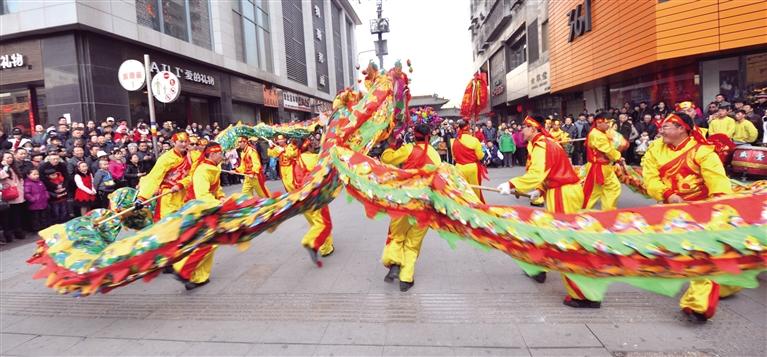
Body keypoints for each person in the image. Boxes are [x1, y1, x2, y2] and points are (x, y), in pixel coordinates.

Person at [641, 112, 740, 322]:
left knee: (700, 254)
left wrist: (719, 209)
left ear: (682, 128)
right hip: (671, 209)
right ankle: (728, 283)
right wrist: (667, 194)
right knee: (673, 252)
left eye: (667, 126)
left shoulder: (702, 151)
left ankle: (698, 306)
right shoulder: (654, 149)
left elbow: (718, 182)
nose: (661, 129)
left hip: (700, 210)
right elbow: (649, 178)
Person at [496, 116, 594, 308]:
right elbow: (548, 172)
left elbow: (537, 173)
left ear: (533, 129)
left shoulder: (541, 144)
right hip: (559, 191)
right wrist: (539, 190)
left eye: (525, 127)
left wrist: (512, 184)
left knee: (565, 241)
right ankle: (538, 267)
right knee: (547, 232)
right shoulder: (543, 143)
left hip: (563, 193)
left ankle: (583, 294)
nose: (522, 131)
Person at [380, 124, 440, 292]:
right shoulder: (435, 155)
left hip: (404, 200)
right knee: (413, 243)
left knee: (397, 234)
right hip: (424, 204)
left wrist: (390, 145)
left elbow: (387, 159)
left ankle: (394, 264)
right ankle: (406, 279)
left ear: (414, 135)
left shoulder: (408, 149)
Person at [268, 135, 334, 264]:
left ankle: (321, 243)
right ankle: (322, 246)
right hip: (315, 196)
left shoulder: (295, 159)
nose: (314, 142)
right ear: (307, 145)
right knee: (324, 222)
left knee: (314, 221)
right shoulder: (311, 158)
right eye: (311, 141)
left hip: (301, 197)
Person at [172, 142, 227, 290]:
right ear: (212, 154)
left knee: (209, 242)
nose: (222, 155)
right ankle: (184, 269)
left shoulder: (213, 167)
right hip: (199, 210)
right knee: (208, 242)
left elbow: (216, 188)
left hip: (207, 208)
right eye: (220, 153)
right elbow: (202, 194)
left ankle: (199, 277)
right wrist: (218, 204)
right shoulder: (203, 170)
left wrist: (221, 196)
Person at [135, 132, 192, 221]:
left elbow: (193, 174)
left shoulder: (191, 155)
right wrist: (142, 198)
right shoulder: (166, 158)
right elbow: (154, 177)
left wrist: (181, 184)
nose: (184, 144)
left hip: (186, 194)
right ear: (174, 142)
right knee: (169, 223)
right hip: (169, 195)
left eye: (186, 141)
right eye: (181, 141)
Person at [582, 114, 623, 211]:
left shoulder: (601, 133)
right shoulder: (596, 135)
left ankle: (607, 211)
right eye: (607, 122)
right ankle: (582, 212)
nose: (609, 125)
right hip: (598, 167)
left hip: (604, 166)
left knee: (612, 188)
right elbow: (607, 150)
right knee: (592, 192)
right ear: (599, 122)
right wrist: (618, 157)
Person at [451, 120, 486, 202]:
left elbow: (454, 157)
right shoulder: (474, 140)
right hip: (472, 168)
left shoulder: (453, 141)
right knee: (474, 190)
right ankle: (476, 206)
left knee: (462, 190)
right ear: (469, 128)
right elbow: (480, 156)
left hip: (459, 168)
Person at [1, 151, 26, 243]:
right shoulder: (4, 168)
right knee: (9, 217)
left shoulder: (14, 167)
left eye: (11, 157)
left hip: (18, 194)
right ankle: (11, 234)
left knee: (17, 214)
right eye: (7, 157)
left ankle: (18, 231)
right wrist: (5, 167)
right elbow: (2, 176)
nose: (10, 159)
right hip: (8, 195)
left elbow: (20, 179)